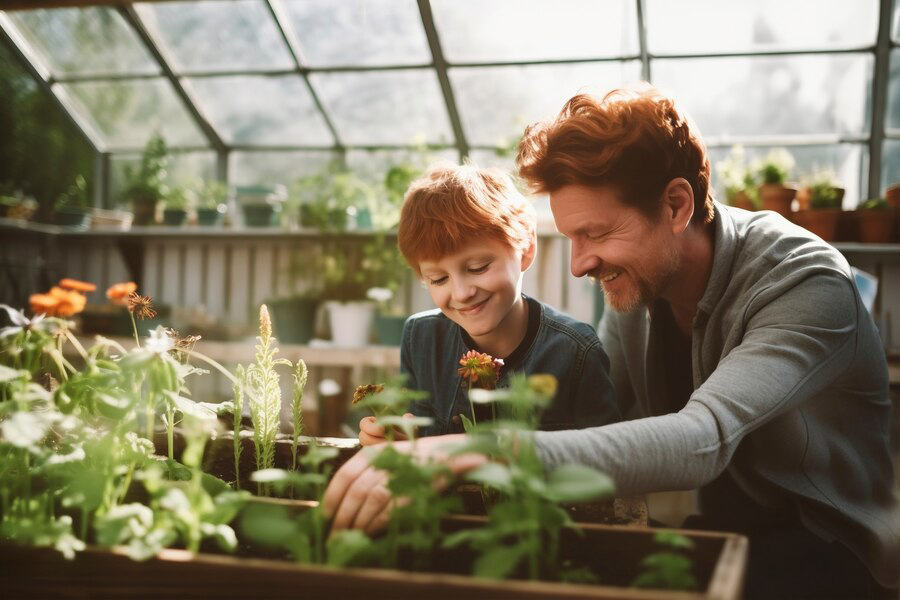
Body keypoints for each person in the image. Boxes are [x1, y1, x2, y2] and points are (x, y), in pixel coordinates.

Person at [327, 85, 900, 598]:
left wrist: (478, 453)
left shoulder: (805, 283)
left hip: (831, 553)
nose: (579, 265)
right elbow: (602, 428)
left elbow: (703, 439)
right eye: (571, 237)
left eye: (595, 234)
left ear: (676, 205)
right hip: (729, 532)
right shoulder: (638, 286)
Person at [357, 164, 620, 445]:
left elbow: (605, 463)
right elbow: (409, 432)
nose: (461, 293)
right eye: (438, 278)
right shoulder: (420, 337)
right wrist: (390, 438)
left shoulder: (575, 351)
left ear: (526, 249)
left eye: (478, 268)